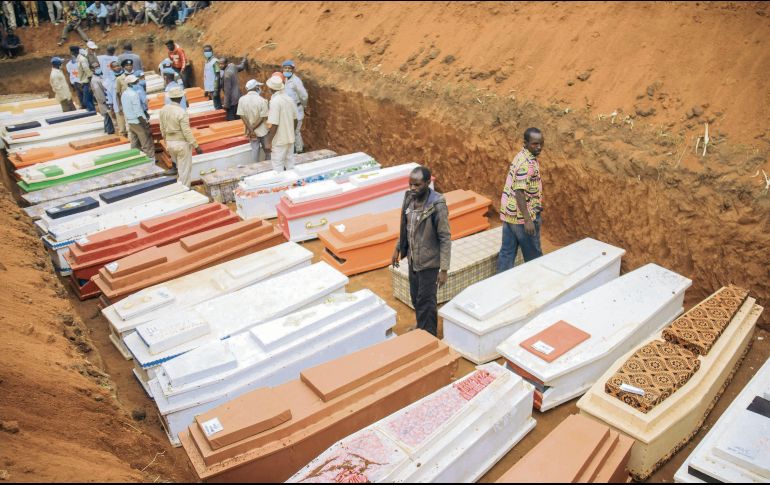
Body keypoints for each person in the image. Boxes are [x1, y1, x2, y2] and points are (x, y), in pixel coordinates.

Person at [391, 166, 451, 337]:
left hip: (429, 262)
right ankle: (421, 327)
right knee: (416, 297)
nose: (413, 188)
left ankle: (429, 335)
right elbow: (406, 227)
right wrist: (397, 248)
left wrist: (444, 269)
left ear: (428, 183)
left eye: (417, 185)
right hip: (413, 260)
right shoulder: (409, 198)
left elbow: (445, 237)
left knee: (426, 301)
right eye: (410, 184)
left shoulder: (437, 205)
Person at [497, 127, 545, 273]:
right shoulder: (527, 163)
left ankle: (500, 283)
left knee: (506, 253)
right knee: (534, 258)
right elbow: (519, 192)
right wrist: (528, 220)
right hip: (523, 219)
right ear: (525, 143)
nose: (539, 147)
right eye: (535, 144)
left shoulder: (521, 156)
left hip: (510, 214)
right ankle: (536, 283)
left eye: (541, 143)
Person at [159, 86, 202, 186]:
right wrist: (196, 146)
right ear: (181, 98)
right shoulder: (181, 112)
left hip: (170, 143)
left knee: (180, 168)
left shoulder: (163, 110)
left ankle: (180, 187)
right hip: (181, 144)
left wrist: (166, 141)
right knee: (185, 171)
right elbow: (186, 131)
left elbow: (162, 128)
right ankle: (185, 190)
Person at [264, 75, 297, 172]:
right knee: (290, 164)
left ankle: (281, 181)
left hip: (279, 140)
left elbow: (274, 124)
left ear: (271, 89)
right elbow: (295, 119)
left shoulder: (275, 102)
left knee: (278, 165)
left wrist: (269, 142)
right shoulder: (289, 99)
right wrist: (292, 132)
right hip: (290, 139)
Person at [121, 74, 154, 161]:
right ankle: (151, 159)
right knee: (146, 142)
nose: (137, 84)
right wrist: (145, 124)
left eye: (136, 81)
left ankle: (134, 158)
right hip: (138, 121)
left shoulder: (124, 94)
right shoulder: (134, 94)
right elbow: (138, 111)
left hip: (130, 121)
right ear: (130, 84)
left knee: (135, 142)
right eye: (135, 83)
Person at [237, 79, 269, 163]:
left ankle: (256, 167)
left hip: (251, 132)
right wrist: (253, 128)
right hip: (262, 130)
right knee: (267, 150)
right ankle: (268, 165)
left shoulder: (241, 100)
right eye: (258, 86)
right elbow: (262, 118)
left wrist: (251, 130)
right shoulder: (262, 100)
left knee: (255, 150)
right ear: (256, 87)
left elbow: (242, 116)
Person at [280, 59, 308, 153]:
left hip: (296, 109)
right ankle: (297, 148)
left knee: (296, 131)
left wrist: (304, 106)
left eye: (289, 68)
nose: (287, 70)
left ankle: (300, 150)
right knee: (291, 131)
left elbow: (304, 96)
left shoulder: (296, 81)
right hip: (288, 110)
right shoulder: (285, 79)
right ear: (282, 69)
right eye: (285, 68)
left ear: (293, 70)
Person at [219, 55, 247, 121]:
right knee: (239, 117)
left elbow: (227, 91)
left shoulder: (226, 75)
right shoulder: (232, 66)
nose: (220, 65)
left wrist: (226, 105)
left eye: (222, 64)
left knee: (231, 119)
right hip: (238, 97)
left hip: (232, 101)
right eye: (219, 64)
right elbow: (241, 67)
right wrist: (244, 60)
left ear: (226, 63)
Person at [90, 61, 114, 134]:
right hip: (104, 101)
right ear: (92, 69)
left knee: (107, 117)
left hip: (106, 100)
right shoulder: (94, 80)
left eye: (98, 66)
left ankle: (107, 130)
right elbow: (98, 93)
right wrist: (105, 101)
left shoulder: (100, 76)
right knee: (107, 116)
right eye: (96, 67)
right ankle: (109, 131)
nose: (98, 68)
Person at [110, 59, 128, 136]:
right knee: (122, 128)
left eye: (118, 66)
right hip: (117, 105)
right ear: (111, 68)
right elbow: (109, 94)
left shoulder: (126, 76)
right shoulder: (109, 80)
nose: (117, 68)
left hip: (127, 103)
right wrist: (111, 107)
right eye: (114, 67)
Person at [76, 45, 95, 111]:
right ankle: (93, 111)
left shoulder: (82, 59)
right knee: (89, 99)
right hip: (86, 81)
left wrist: (90, 77)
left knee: (86, 100)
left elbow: (86, 69)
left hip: (87, 82)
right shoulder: (81, 59)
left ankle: (92, 112)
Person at [202, 44, 220, 109]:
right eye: (205, 51)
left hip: (214, 87)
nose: (207, 53)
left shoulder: (215, 61)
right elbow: (207, 76)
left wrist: (216, 89)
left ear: (212, 51)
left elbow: (217, 75)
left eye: (208, 51)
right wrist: (206, 90)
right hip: (210, 88)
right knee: (215, 103)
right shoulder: (207, 62)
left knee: (217, 104)